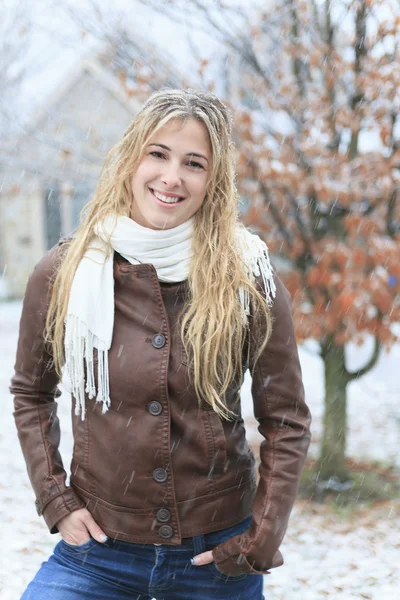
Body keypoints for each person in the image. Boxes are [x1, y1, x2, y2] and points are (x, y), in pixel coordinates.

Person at [10, 88, 311, 600]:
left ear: (213, 180)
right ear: (131, 158)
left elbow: (286, 418)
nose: (172, 177)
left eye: (194, 163)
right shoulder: (65, 271)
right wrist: (55, 499)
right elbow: (31, 393)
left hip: (215, 557)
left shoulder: (249, 276)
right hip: (97, 555)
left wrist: (261, 538)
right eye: (158, 154)